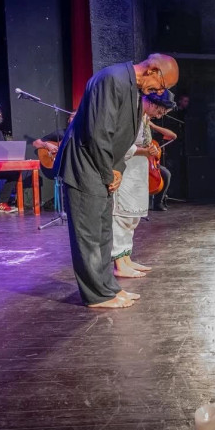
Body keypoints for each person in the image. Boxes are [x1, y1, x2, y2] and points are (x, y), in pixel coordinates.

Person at [54, 53, 179, 309]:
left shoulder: (131, 87)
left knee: (103, 232)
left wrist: (117, 167)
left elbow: (125, 136)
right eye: (162, 85)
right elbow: (99, 132)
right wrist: (108, 171)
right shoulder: (111, 79)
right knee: (88, 234)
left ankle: (108, 287)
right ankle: (96, 295)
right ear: (153, 70)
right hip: (84, 166)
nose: (160, 91)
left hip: (102, 167)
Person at [112, 91, 176, 278]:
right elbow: (119, 145)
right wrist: (142, 151)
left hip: (139, 171)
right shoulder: (129, 116)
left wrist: (151, 150)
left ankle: (126, 258)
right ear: (150, 102)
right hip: (125, 169)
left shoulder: (144, 119)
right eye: (161, 109)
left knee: (132, 218)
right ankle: (118, 263)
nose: (161, 114)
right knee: (121, 217)